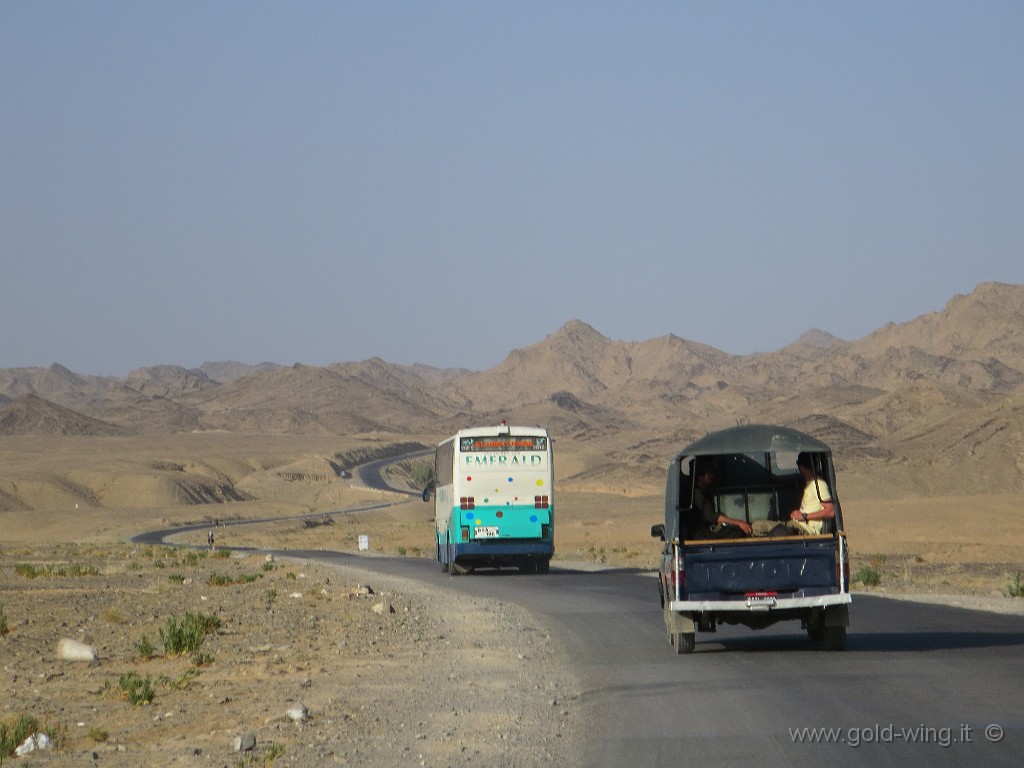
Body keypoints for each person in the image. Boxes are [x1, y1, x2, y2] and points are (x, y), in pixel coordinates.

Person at [690, 459, 751, 538]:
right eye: (709, 473)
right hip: (701, 534)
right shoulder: (697, 494)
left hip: (708, 529)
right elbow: (713, 517)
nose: (712, 476)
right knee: (737, 534)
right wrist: (739, 523)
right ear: (700, 476)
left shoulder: (706, 491)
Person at [787, 452, 835, 534]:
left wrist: (804, 516)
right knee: (761, 527)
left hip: (808, 529)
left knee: (777, 530)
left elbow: (830, 511)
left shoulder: (819, 484)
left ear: (801, 467)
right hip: (799, 524)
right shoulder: (809, 483)